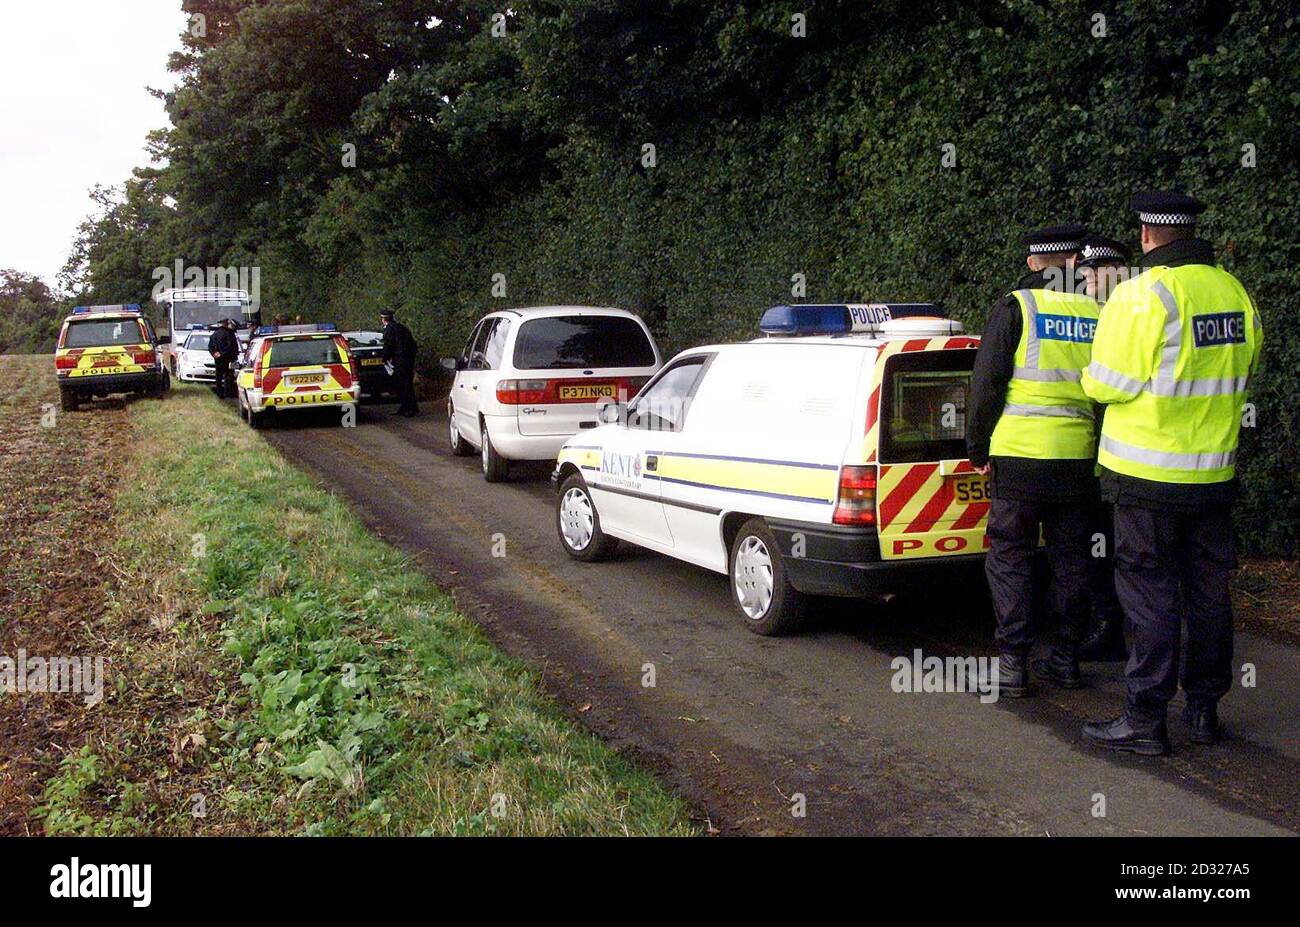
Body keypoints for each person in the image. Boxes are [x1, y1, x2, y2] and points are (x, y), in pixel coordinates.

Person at [1080, 192, 1263, 755]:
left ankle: (1145, 718)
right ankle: (1204, 711)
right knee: (1208, 590)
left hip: (1145, 476)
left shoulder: (1143, 294)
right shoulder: (1233, 291)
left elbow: (1107, 383)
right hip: (1213, 474)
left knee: (1149, 592)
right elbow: (1248, 366)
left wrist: (1090, 377)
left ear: (1146, 235)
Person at [967, 223, 1100, 698]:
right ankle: (1065, 659)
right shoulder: (1098, 313)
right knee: (1072, 560)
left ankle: (1013, 664)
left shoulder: (1017, 307)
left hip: (1020, 458)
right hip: (1077, 461)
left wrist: (977, 449)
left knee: (1011, 559)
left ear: (1032, 262)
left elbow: (985, 387)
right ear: (1076, 263)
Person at [1075, 235, 1133, 662]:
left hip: (1120, 457)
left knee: (1116, 549)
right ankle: (1105, 622)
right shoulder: (1089, 313)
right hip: (1092, 451)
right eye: (1087, 272)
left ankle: (1112, 627)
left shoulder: (1131, 312)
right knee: (1098, 547)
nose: (1090, 279)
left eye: (1098, 271)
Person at [381, 309, 419, 416]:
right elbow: (413, 344)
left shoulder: (389, 330)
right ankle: (408, 407)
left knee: (403, 385)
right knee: (407, 384)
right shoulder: (402, 327)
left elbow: (389, 346)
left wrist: (384, 358)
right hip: (408, 360)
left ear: (383, 319)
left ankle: (408, 409)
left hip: (400, 361)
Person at [208, 317, 240, 400]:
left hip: (218, 360)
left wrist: (214, 353)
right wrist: (223, 354)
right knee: (229, 377)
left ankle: (219, 394)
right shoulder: (230, 334)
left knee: (218, 377)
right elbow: (231, 347)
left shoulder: (215, 334)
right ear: (226, 324)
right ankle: (228, 394)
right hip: (229, 359)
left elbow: (210, 346)